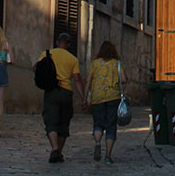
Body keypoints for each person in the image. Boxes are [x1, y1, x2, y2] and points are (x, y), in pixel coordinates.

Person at [38, 29, 86, 162]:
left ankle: (54, 149)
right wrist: (83, 98)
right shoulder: (73, 59)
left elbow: (36, 68)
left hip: (51, 91)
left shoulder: (47, 54)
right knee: (64, 123)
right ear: (69, 45)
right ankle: (59, 152)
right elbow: (77, 80)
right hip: (66, 92)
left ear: (57, 42)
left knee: (51, 121)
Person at [85, 39, 124, 164]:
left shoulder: (94, 64)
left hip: (97, 98)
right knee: (111, 126)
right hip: (113, 97)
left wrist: (85, 98)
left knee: (98, 124)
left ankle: (97, 142)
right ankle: (108, 156)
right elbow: (124, 79)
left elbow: (88, 81)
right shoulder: (116, 64)